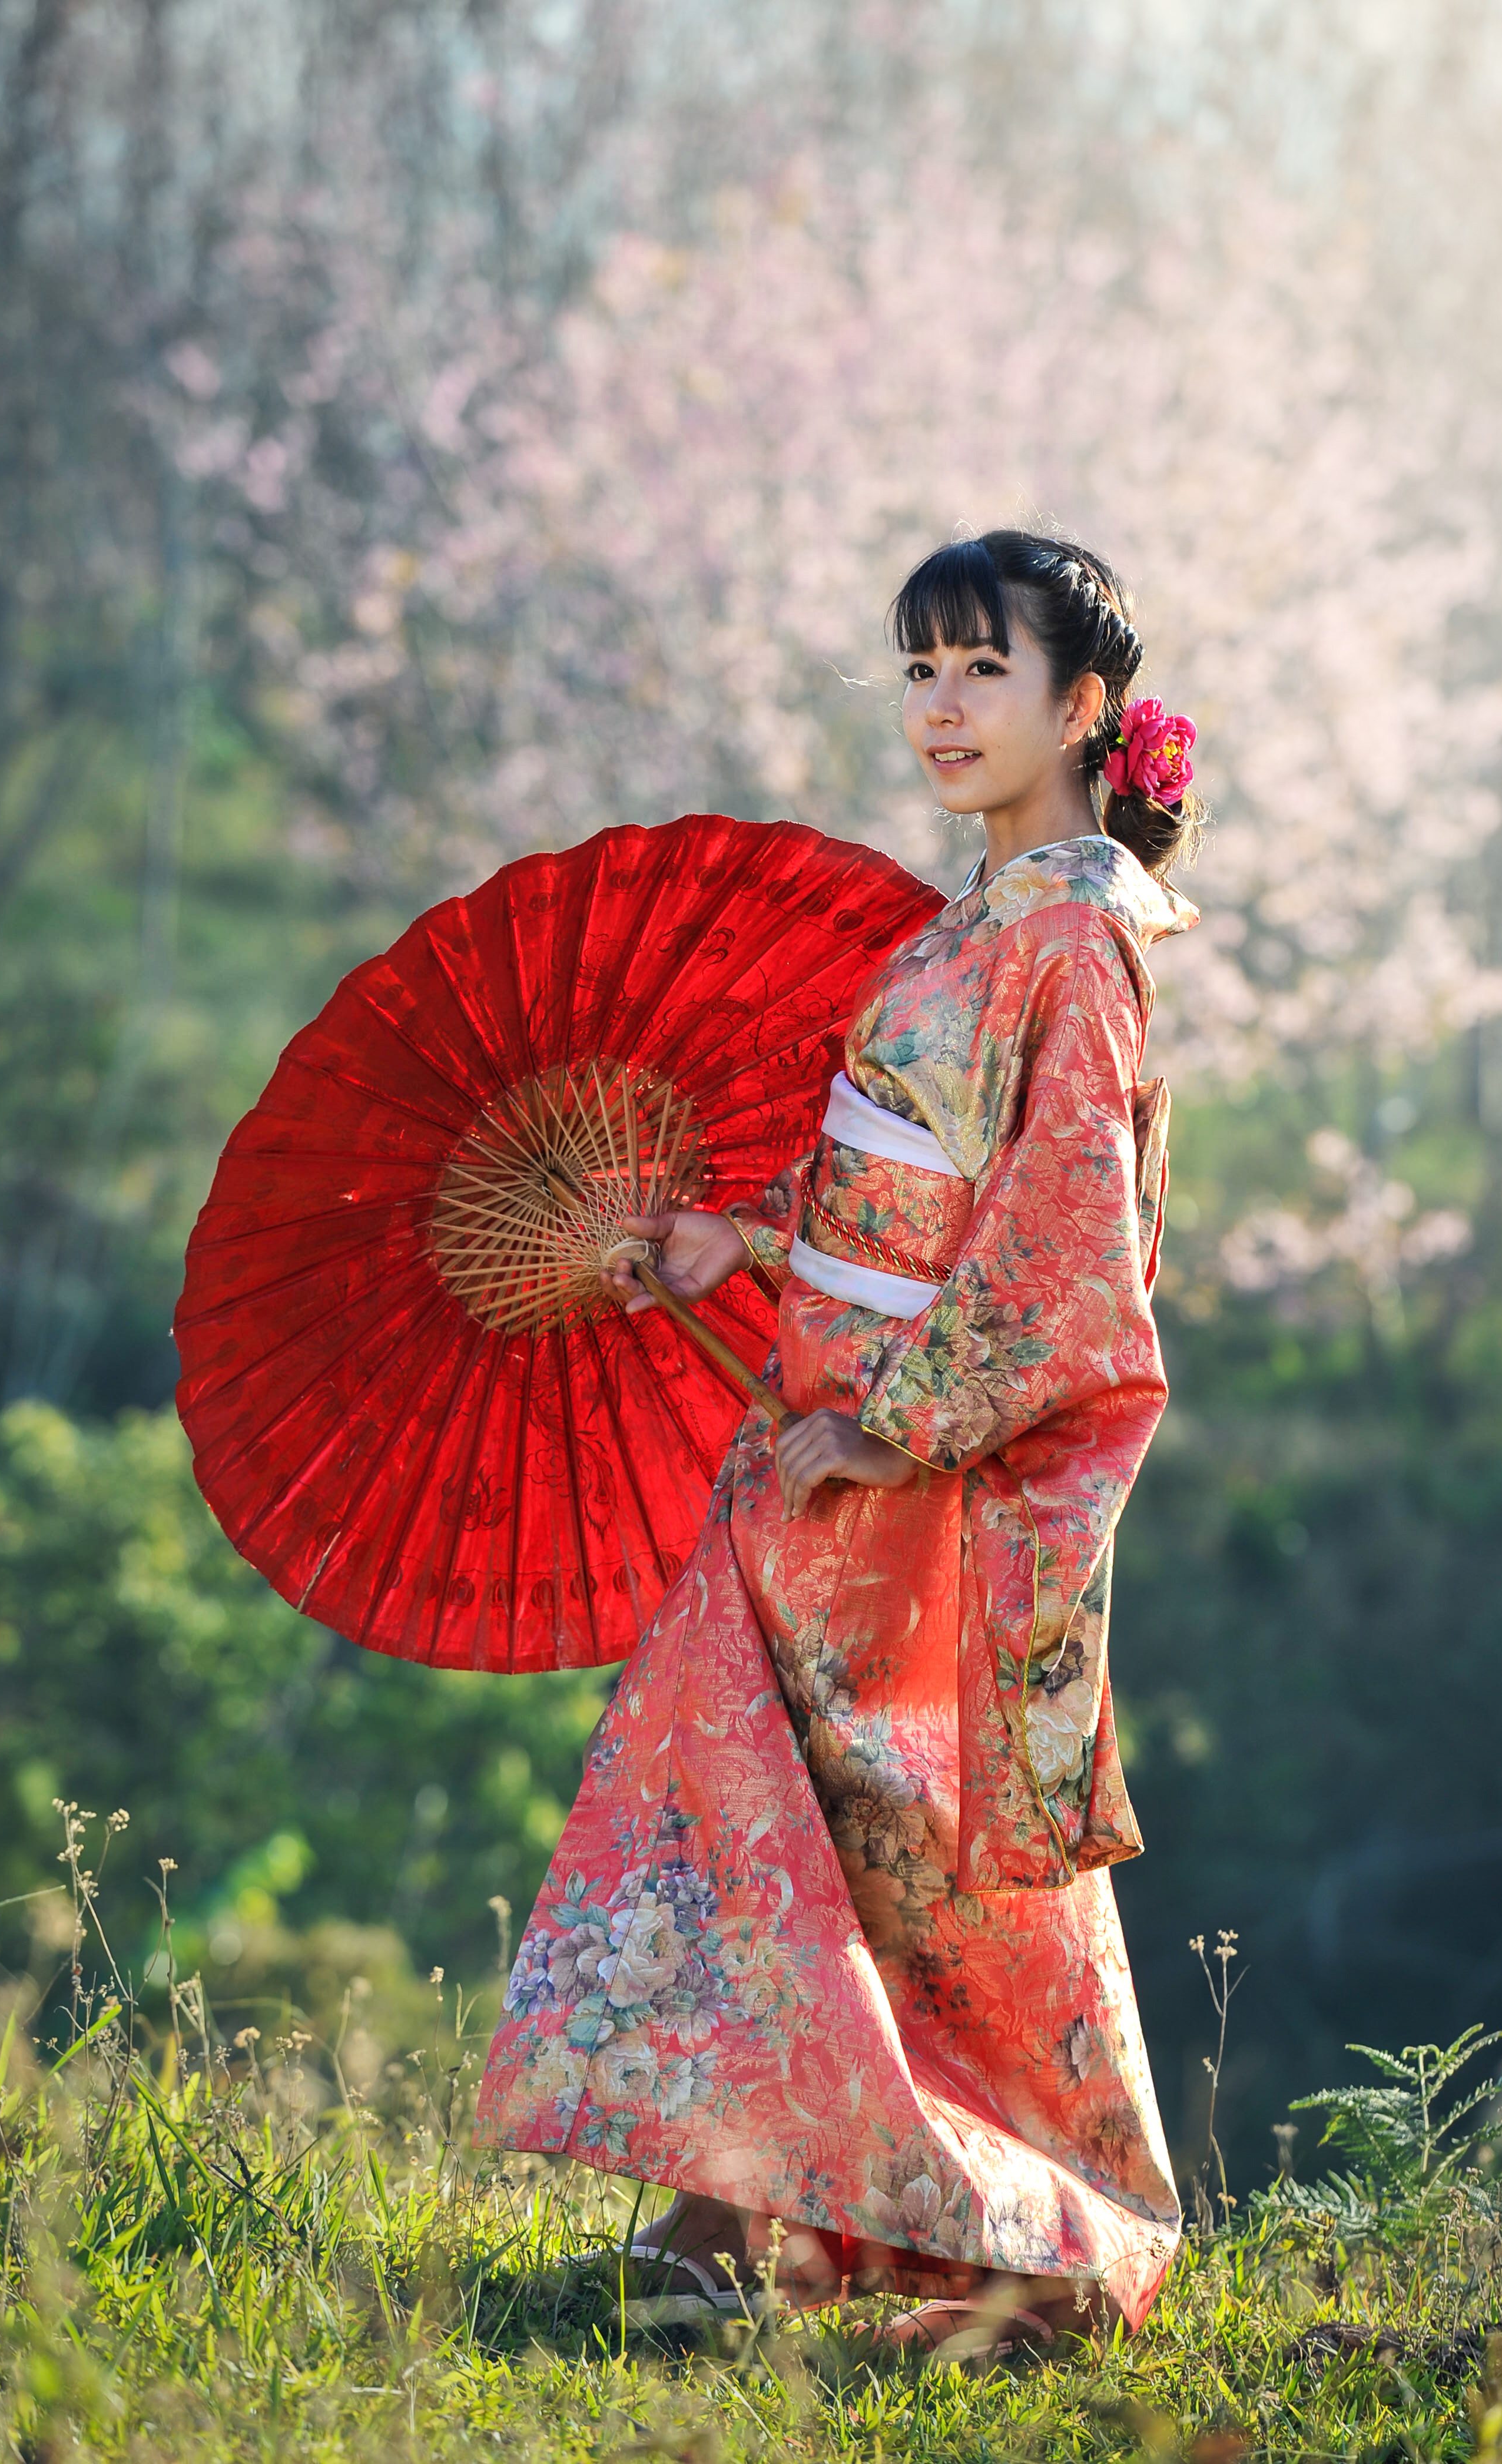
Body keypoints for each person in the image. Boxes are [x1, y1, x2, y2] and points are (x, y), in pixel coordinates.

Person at [476, 529, 1200, 2350]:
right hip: (814, 1448)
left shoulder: (1073, 940)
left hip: (911, 1480)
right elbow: (890, 1177)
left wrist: (892, 1430)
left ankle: (1043, 2247)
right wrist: (745, 1236)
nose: (942, 709)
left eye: (980, 670)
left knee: (930, 1879)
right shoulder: (968, 924)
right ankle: (723, 2226)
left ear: (1081, 705)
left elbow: (1061, 1242)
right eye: (920, 672)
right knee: (748, 1819)